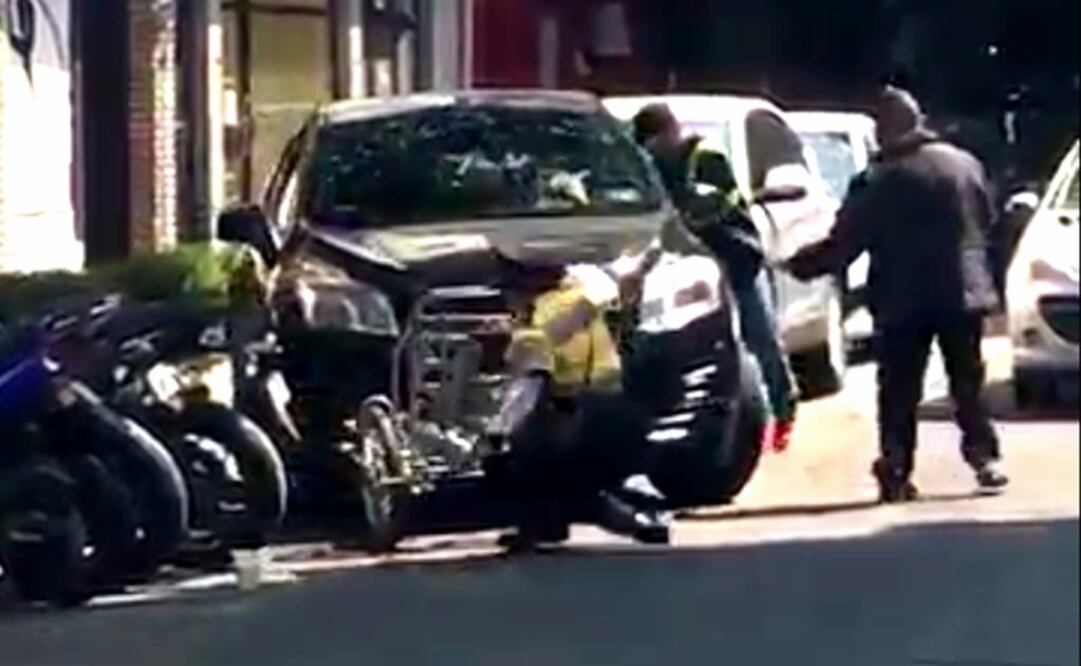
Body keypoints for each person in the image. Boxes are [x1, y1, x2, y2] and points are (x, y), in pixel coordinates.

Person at [782, 87, 1009, 502]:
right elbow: (988, 220)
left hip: (903, 298)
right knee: (968, 383)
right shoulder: (964, 165)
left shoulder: (879, 178)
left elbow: (845, 242)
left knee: (900, 390)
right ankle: (985, 458)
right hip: (964, 292)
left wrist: (797, 265)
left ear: (885, 130)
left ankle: (897, 469)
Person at [631, 103, 799, 451]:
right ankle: (727, 427)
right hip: (689, 268)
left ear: (667, 134)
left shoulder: (705, 158)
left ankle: (783, 410)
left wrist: (680, 209)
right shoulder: (646, 167)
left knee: (760, 337)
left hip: (737, 258)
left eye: (654, 144)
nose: (652, 152)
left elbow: (711, 205)